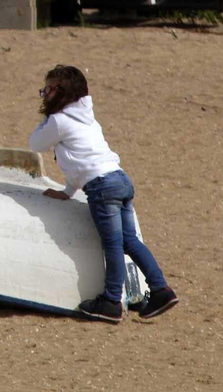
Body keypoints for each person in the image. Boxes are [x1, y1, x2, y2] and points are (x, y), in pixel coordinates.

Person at [29, 65, 179, 323]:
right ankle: (161, 289)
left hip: (101, 186)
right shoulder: (89, 118)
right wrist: (68, 191)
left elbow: (36, 144)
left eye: (48, 90)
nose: (44, 95)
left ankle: (111, 301)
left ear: (60, 93)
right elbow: (83, 160)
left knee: (112, 244)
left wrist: (48, 115)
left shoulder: (59, 120)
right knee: (129, 240)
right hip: (120, 178)